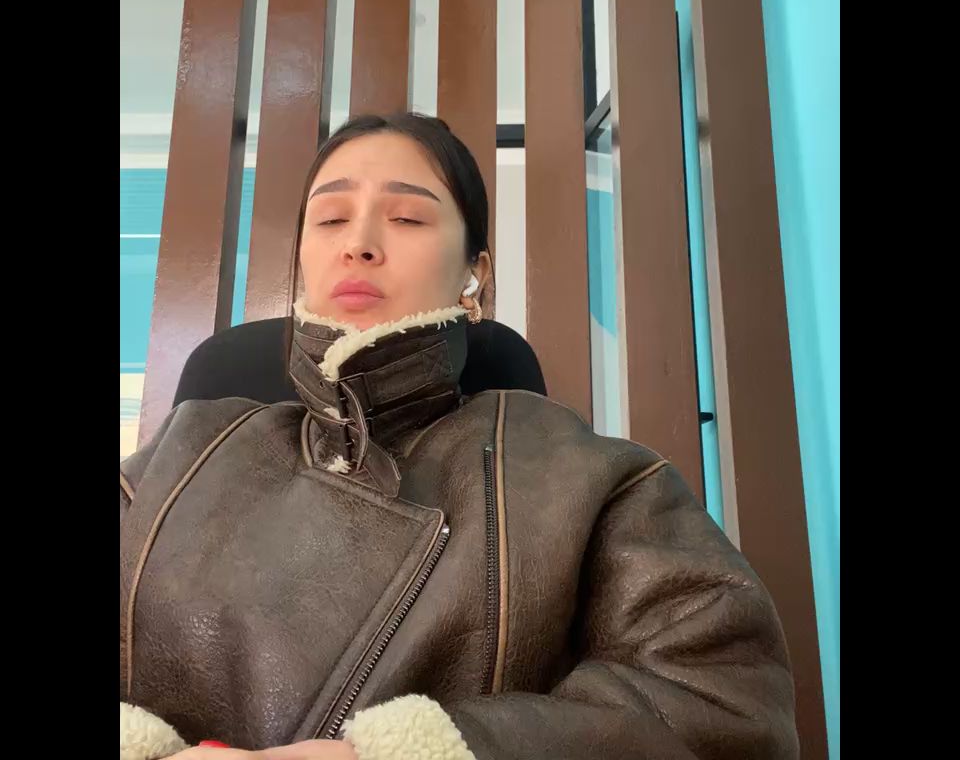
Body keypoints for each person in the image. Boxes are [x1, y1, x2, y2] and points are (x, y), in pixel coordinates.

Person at [120, 113, 798, 760]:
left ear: (476, 275)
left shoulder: (590, 480)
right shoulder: (178, 456)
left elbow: (723, 702)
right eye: (330, 219)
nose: (359, 243)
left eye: (407, 217)